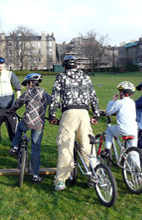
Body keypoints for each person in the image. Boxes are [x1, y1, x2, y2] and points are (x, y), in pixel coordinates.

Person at [48, 55, 100, 191]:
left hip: (69, 113)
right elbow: (93, 96)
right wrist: (96, 115)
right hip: (84, 113)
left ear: (64, 66)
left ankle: (61, 181)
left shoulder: (61, 77)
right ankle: (93, 176)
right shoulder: (85, 77)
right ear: (77, 65)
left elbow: (55, 97)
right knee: (87, 146)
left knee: (65, 145)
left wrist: (52, 115)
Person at [7, 73, 51, 183]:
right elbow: (54, 103)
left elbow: (18, 103)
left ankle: (15, 147)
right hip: (39, 124)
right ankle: (35, 176)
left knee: (20, 129)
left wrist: (11, 111)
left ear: (31, 83)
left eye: (26, 84)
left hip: (27, 122)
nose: (26, 86)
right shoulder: (45, 94)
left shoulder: (29, 92)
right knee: (36, 149)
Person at [100, 81, 138, 158]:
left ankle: (107, 150)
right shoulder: (132, 102)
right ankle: (137, 169)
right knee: (133, 151)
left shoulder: (119, 102)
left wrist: (113, 101)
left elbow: (108, 111)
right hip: (134, 129)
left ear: (122, 93)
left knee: (109, 130)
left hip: (123, 129)